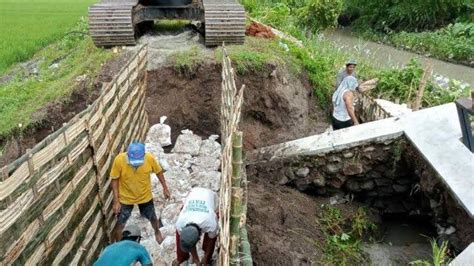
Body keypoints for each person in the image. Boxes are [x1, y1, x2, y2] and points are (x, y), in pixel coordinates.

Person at [110, 142, 171, 243]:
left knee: (152, 216)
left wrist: (165, 188)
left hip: (145, 196)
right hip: (126, 198)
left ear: (143, 156)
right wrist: (116, 201)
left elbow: (158, 171)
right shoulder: (119, 160)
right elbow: (115, 179)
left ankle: (157, 231)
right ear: (128, 155)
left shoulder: (150, 159)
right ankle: (120, 245)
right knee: (120, 222)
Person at [173, 187, 219, 266]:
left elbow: (211, 240)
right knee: (184, 238)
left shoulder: (210, 222)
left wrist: (205, 257)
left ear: (198, 238)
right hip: (193, 193)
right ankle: (182, 257)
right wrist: (196, 260)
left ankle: (207, 259)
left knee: (211, 237)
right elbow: (190, 242)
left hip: (210, 195)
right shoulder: (180, 223)